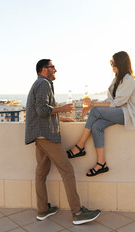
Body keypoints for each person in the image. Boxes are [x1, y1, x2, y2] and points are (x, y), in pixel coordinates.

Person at [25, 59, 101, 225]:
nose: (56, 70)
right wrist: (63, 108)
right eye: (53, 67)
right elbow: (42, 110)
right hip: (46, 135)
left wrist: (62, 117)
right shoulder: (44, 83)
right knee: (67, 170)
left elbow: (41, 112)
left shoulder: (39, 83)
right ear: (44, 69)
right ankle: (77, 212)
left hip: (39, 134)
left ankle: (42, 209)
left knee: (41, 172)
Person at [66, 51, 135, 176]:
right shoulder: (116, 80)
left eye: (114, 63)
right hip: (119, 112)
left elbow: (117, 103)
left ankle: (80, 146)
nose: (112, 65)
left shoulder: (129, 80)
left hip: (129, 115)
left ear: (121, 63)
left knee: (95, 110)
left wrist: (93, 105)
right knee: (96, 126)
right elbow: (109, 101)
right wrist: (92, 104)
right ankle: (101, 164)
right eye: (111, 62)